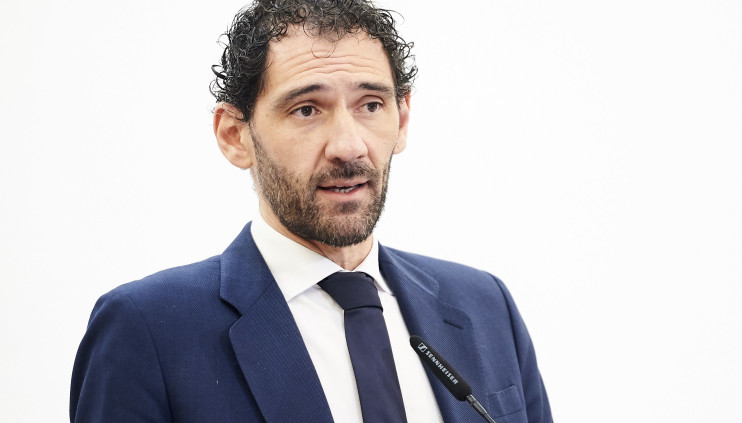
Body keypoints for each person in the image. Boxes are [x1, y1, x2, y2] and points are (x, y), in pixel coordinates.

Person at [69, 0, 552, 422]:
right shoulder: (148, 328)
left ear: (402, 119)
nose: (348, 146)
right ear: (235, 136)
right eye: (306, 109)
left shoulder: (485, 305)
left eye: (370, 105)